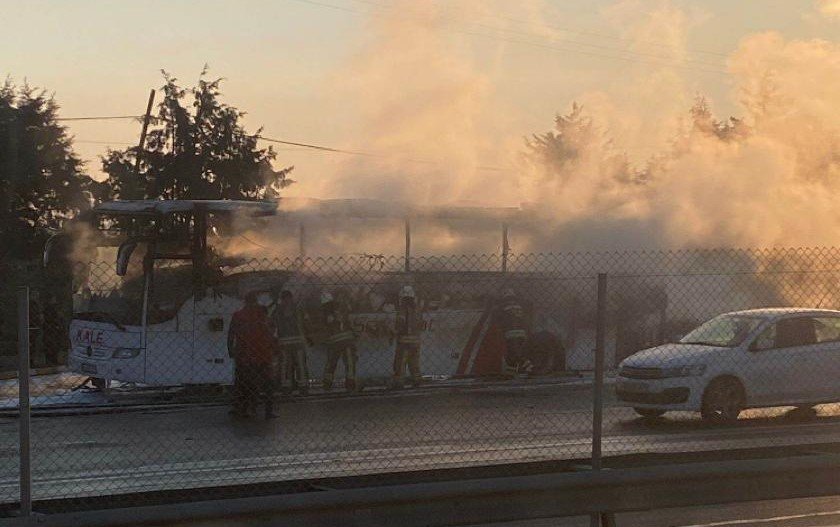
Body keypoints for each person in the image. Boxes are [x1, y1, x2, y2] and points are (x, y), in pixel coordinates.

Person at [228, 291, 278, 419]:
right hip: (262, 354)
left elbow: (231, 334)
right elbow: (271, 333)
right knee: (267, 384)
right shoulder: (262, 314)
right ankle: (267, 410)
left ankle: (243, 408)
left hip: (244, 355)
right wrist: (274, 349)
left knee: (244, 384)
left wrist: (230, 350)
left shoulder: (238, 315)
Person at [269, 288, 310, 396]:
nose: (287, 301)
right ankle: (298, 386)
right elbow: (305, 324)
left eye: (288, 299)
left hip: (290, 341)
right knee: (291, 364)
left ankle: (295, 386)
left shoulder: (278, 310)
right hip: (290, 341)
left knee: (291, 364)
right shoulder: (295, 309)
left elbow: (271, 325)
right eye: (285, 299)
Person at [320, 291, 358, 392]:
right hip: (347, 340)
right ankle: (350, 382)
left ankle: (327, 383)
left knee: (331, 363)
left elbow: (326, 327)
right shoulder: (343, 308)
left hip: (334, 342)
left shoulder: (325, 312)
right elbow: (350, 322)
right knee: (349, 362)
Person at [391, 285, 423, 389]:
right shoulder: (417, 310)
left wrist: (393, 332)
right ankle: (417, 380)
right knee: (414, 362)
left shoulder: (402, 309)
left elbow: (401, 324)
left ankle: (398, 383)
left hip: (404, 341)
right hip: (416, 341)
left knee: (400, 363)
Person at [497, 288, 531, 374]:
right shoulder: (519, 306)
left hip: (510, 333)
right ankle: (524, 367)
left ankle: (520, 368)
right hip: (521, 332)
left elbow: (499, 318)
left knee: (512, 352)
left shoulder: (503, 306)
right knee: (519, 351)